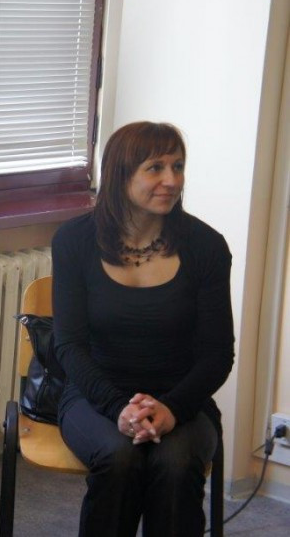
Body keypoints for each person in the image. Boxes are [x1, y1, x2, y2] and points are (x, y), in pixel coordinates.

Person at [52, 121, 234, 536]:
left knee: (175, 464)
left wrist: (170, 408)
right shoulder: (74, 240)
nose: (172, 180)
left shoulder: (206, 246)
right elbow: (69, 345)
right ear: (121, 175)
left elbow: (217, 353)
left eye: (178, 166)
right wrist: (119, 408)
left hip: (183, 399)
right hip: (94, 396)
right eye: (155, 168)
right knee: (119, 457)